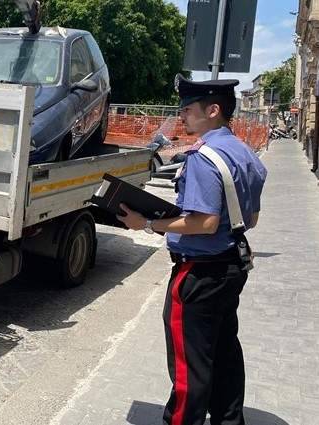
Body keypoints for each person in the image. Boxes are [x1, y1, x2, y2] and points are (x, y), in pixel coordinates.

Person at [117, 74, 267, 425]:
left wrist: (148, 224)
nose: (181, 116)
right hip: (230, 267)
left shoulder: (204, 157)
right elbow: (252, 218)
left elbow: (204, 222)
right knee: (226, 352)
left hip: (198, 274)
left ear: (213, 110)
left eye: (187, 110)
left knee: (190, 365)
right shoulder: (246, 154)